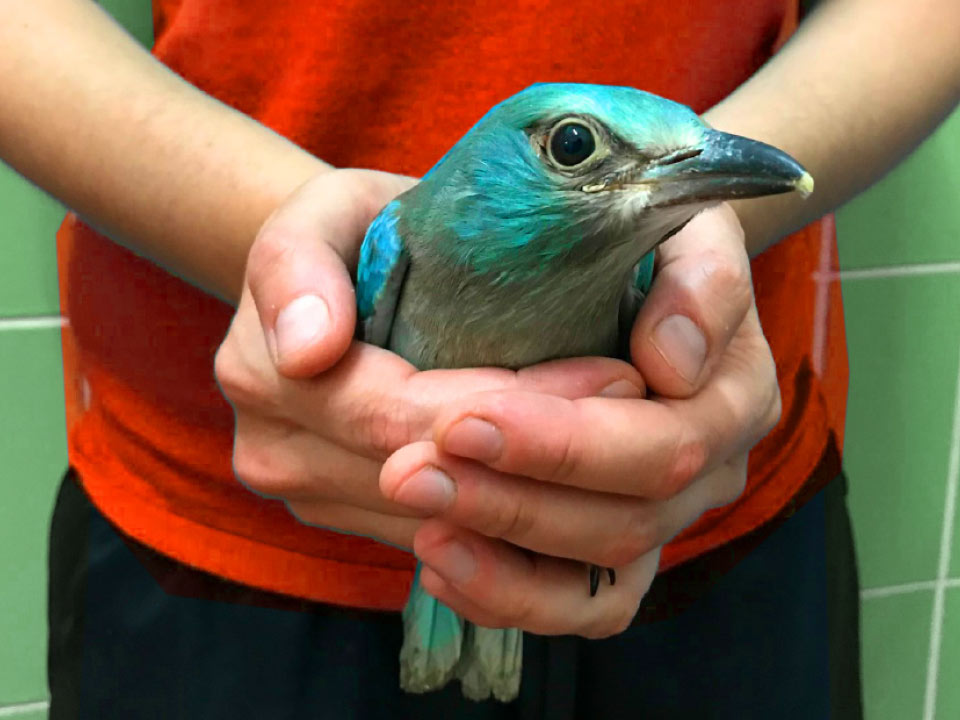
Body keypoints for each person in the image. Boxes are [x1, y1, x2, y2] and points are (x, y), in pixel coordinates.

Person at [2, 0, 957, 718]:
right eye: (578, 150)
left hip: (702, 505)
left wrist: (708, 235)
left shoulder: (649, 268)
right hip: (216, 545)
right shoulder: (393, 252)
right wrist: (316, 255)